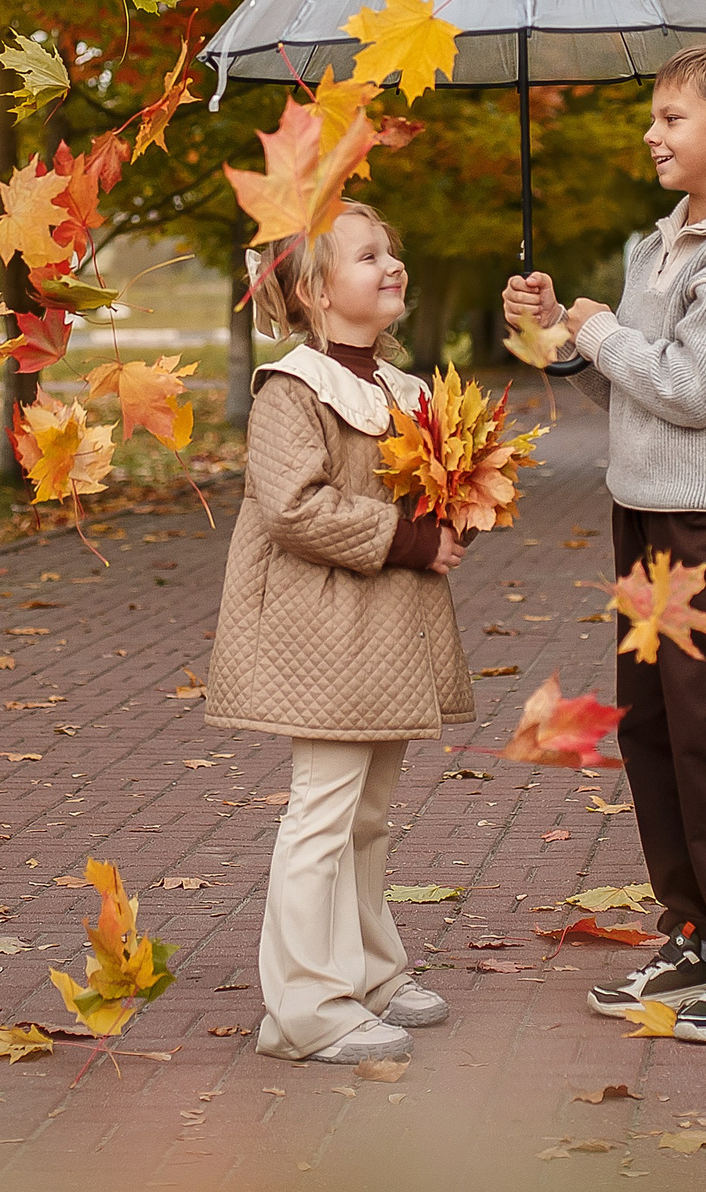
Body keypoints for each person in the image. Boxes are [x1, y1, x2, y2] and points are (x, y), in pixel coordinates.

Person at [501, 42, 706, 1046]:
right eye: (653, 116)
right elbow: (631, 381)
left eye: (672, 117)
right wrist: (563, 329)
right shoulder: (657, 246)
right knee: (656, 729)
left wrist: (598, 333)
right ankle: (695, 933)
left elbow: (688, 386)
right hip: (646, 516)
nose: (652, 132)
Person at [206, 201, 474, 1066]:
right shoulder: (295, 388)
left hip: (385, 633)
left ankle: (370, 971)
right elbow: (290, 508)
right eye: (368, 257)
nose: (391, 265)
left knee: (368, 815)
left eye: (391, 251)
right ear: (319, 292)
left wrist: (463, 500)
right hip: (322, 629)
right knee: (323, 813)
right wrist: (404, 538)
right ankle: (304, 1009)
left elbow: (423, 496)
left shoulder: (403, 389)